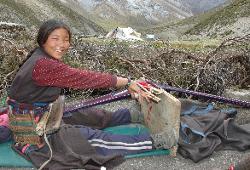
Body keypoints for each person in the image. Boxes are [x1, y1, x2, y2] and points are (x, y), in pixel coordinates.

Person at [6, 19, 168, 170]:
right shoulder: (43, 64)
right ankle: (154, 142)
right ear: (43, 40)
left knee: (87, 115)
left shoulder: (42, 57)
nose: (62, 44)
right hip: (35, 134)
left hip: (43, 115)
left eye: (66, 39)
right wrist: (127, 82)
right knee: (91, 139)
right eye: (55, 38)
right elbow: (85, 78)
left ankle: (131, 116)